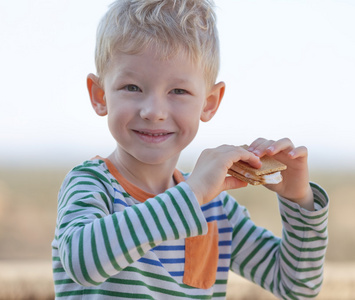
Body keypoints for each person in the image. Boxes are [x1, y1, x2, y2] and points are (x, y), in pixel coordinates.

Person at [51, 0, 329, 299]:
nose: (154, 111)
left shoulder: (216, 208)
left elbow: (297, 287)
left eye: (178, 91)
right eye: (132, 87)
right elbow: (82, 263)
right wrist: (193, 193)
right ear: (100, 95)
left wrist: (300, 200)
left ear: (209, 103)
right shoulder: (91, 184)